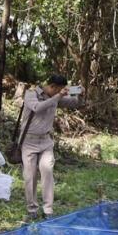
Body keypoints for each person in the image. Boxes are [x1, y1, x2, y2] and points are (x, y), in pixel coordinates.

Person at [20, 74, 81, 218]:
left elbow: (74, 103)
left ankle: (48, 210)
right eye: (59, 89)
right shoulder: (31, 93)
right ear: (52, 86)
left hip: (46, 141)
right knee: (30, 176)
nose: (61, 92)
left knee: (47, 173)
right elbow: (37, 107)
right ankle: (32, 209)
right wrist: (57, 97)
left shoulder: (56, 97)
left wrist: (80, 94)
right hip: (29, 141)